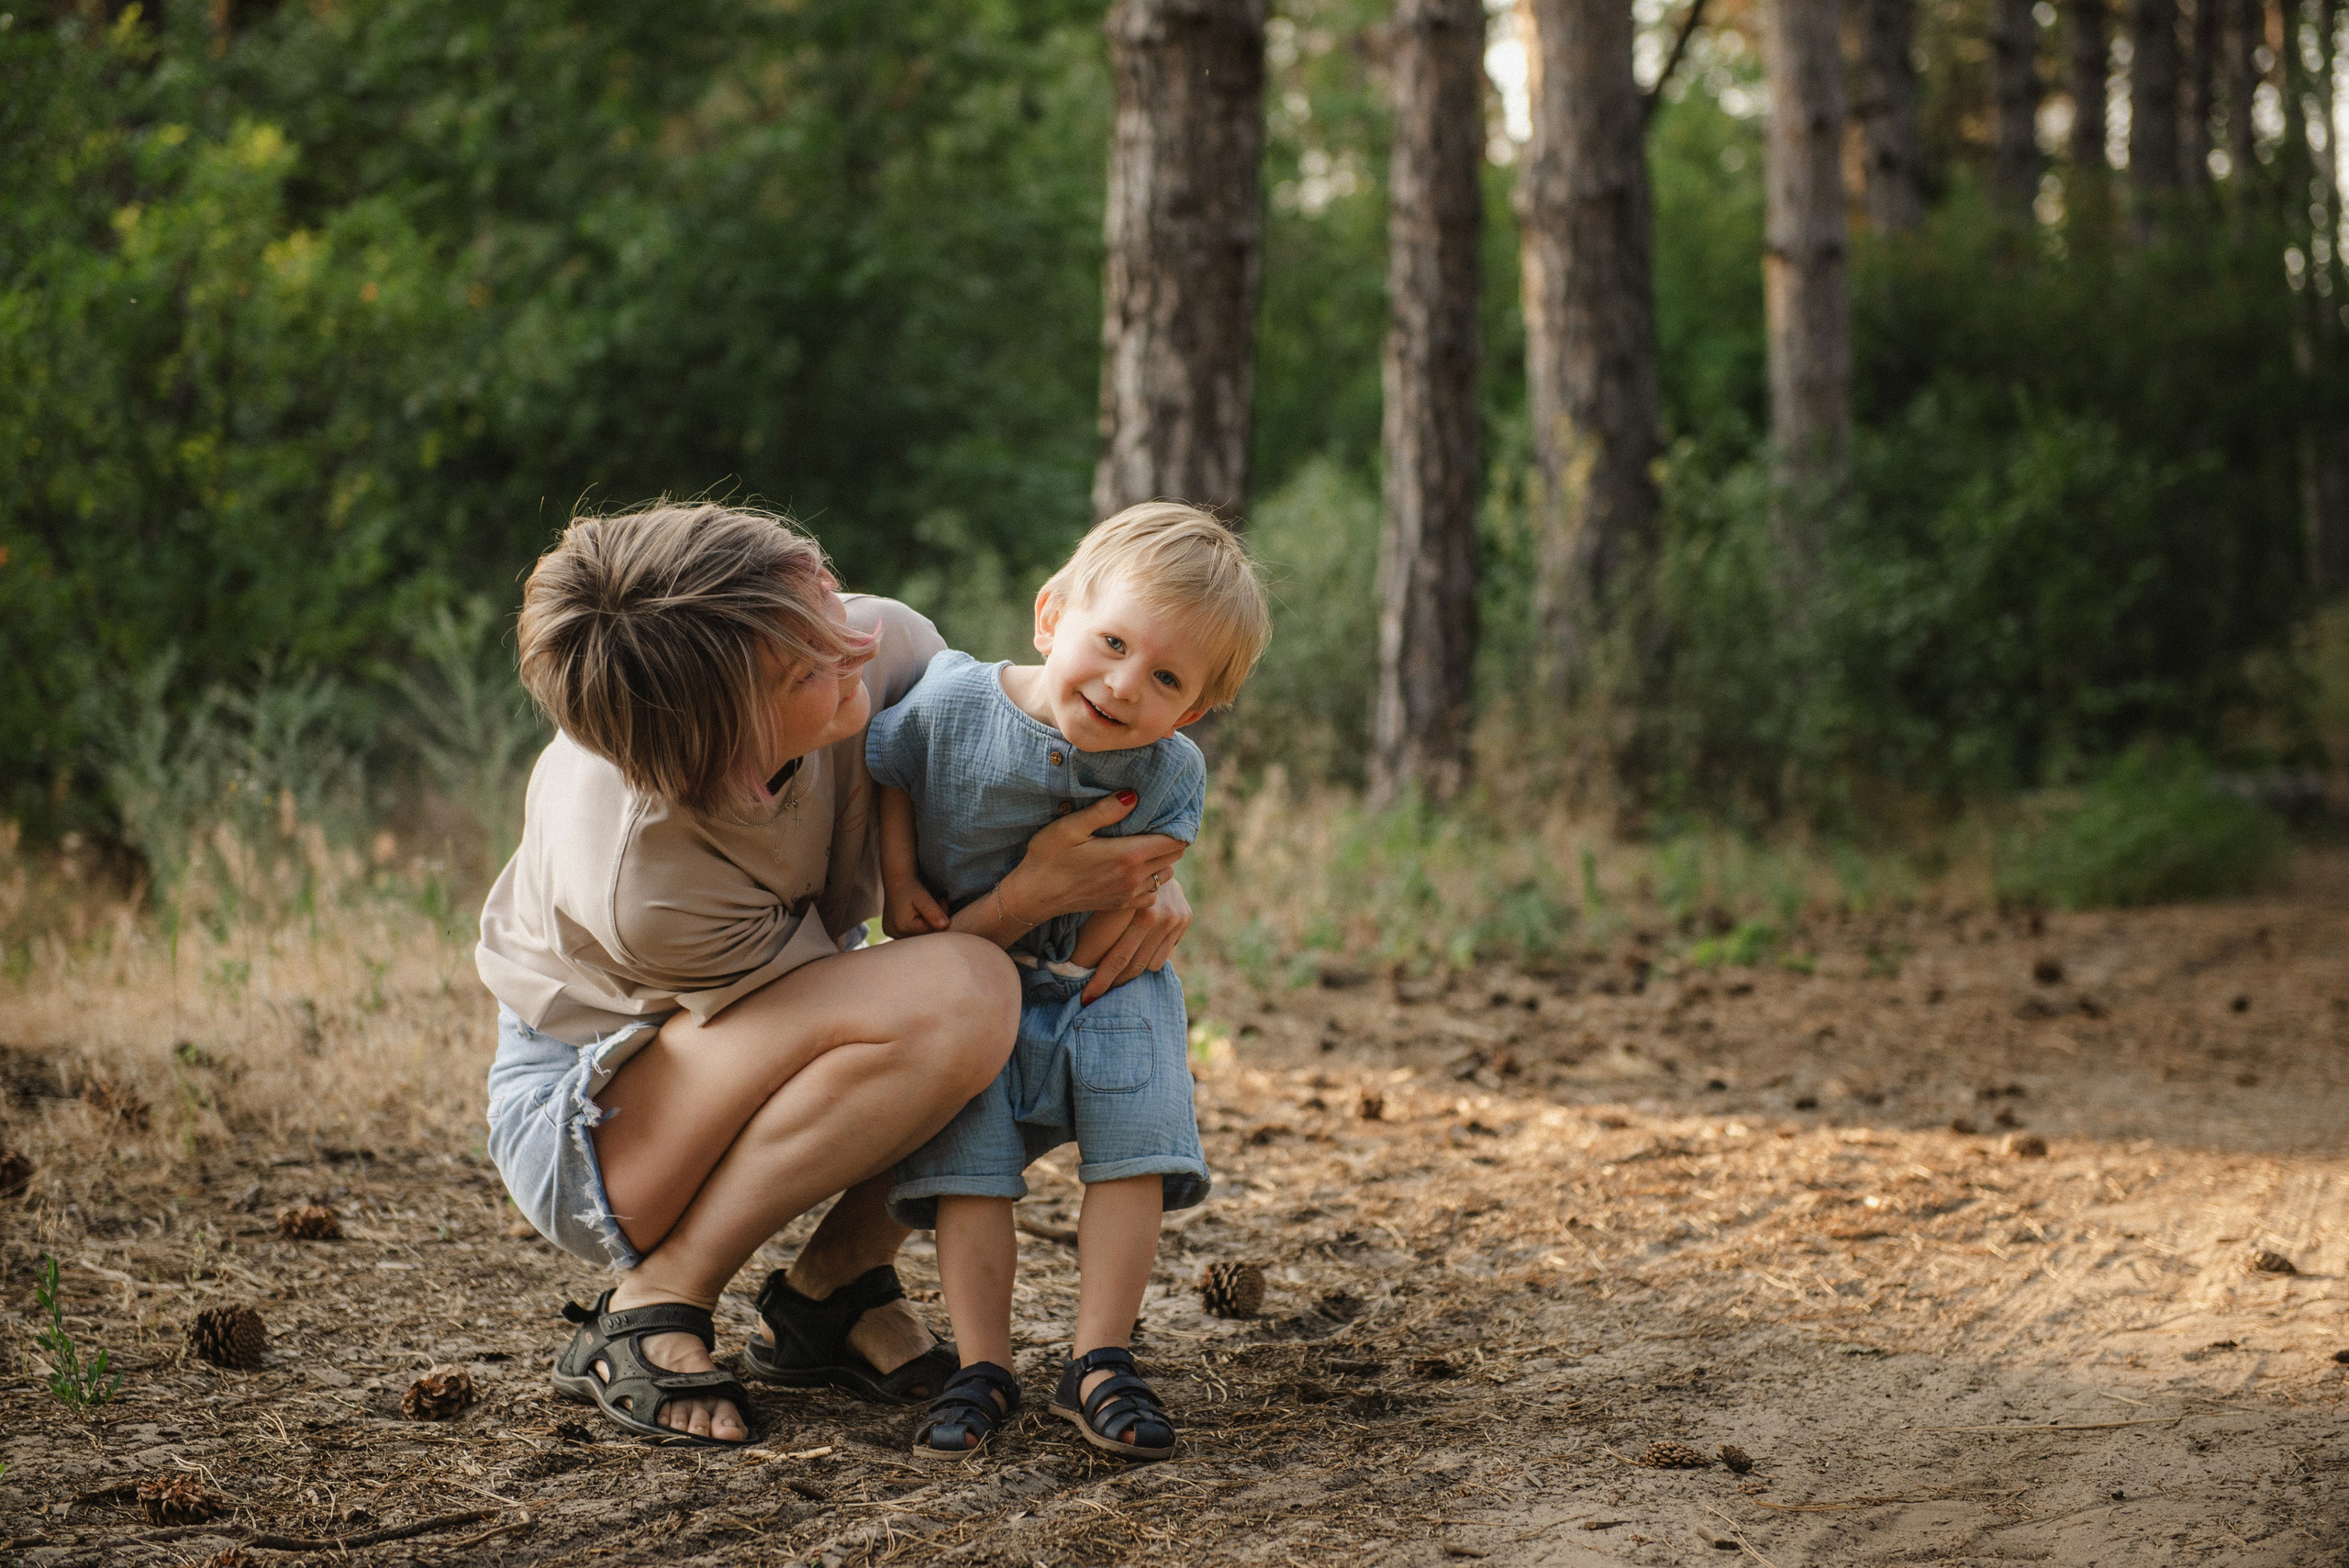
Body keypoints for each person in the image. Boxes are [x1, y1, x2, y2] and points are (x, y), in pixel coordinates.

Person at [475, 502, 1197, 1446]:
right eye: (802, 668)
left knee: (1046, 998)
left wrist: (1142, 875)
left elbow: (1018, 797)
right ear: (728, 754)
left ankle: (831, 1294)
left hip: (781, 1019)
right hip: (597, 1118)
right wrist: (1027, 899)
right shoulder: (641, 874)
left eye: (819, 603)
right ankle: (653, 1300)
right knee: (973, 1002)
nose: (852, 647)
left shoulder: (879, 641)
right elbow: (892, 1009)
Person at [865, 502, 1270, 1463]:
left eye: (1165, 676)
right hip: (967, 972)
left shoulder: (1171, 770)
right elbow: (889, 764)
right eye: (1113, 641)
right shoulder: (953, 701)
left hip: (1108, 975)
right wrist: (899, 879)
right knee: (971, 1160)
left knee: (1134, 1146)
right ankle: (982, 1361)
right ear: (1053, 617)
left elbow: (1132, 889)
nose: (1126, 683)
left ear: (1196, 708)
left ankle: (1099, 1355)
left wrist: (1079, 963)